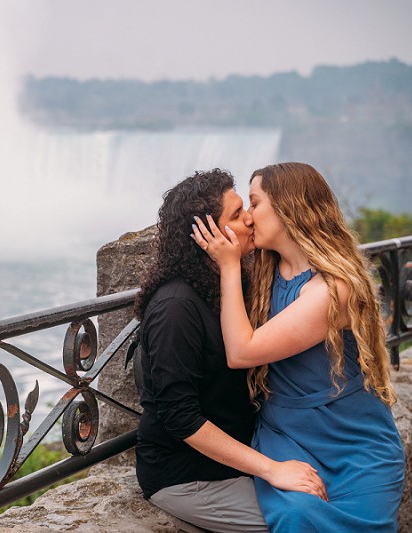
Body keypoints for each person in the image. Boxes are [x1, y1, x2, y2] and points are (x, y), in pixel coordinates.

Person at [191, 162, 405, 532]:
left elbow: (242, 351)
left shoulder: (335, 287)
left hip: (355, 445)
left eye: (254, 204)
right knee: (295, 515)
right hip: (286, 438)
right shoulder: (261, 271)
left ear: (288, 207)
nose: (248, 218)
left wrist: (227, 267)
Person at [135, 169, 326, 533]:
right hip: (189, 476)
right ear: (208, 233)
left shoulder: (230, 282)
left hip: (236, 462)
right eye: (237, 214)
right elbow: (181, 418)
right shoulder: (176, 307)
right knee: (309, 523)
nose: (250, 218)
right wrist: (272, 469)